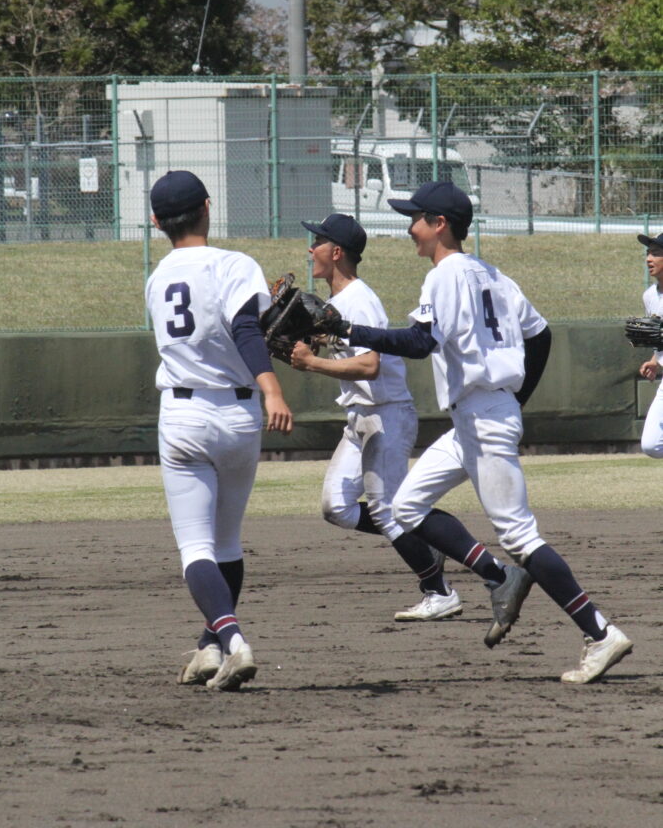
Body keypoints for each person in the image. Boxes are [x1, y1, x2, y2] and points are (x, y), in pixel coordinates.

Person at [325, 181, 633, 684]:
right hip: (478, 416)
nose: (410, 227)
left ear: (440, 224)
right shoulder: (494, 275)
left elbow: (419, 342)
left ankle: (599, 633)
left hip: (484, 417)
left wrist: (347, 330)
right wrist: (516, 399)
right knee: (405, 507)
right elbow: (540, 334)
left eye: (416, 218)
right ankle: (502, 578)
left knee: (519, 535)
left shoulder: (444, 275)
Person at [145, 170, 293, 692]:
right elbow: (247, 327)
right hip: (238, 415)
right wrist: (272, 389)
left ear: (156, 221)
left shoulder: (157, 278)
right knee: (226, 543)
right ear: (208, 207)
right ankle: (212, 646)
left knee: (196, 548)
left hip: (182, 416)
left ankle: (230, 641)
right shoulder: (234, 264)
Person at [289, 213, 462, 622]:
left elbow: (370, 366)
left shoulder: (359, 299)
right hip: (360, 418)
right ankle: (423, 539)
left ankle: (438, 590)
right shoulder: (335, 303)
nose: (310, 249)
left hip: (386, 416)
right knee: (337, 507)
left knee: (387, 510)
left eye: (317, 242)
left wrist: (312, 363)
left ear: (336, 252)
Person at [635, 231, 663, 458]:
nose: (649, 259)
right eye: (648, 253)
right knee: (651, 444)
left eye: (655, 253)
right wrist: (655, 361)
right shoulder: (650, 296)